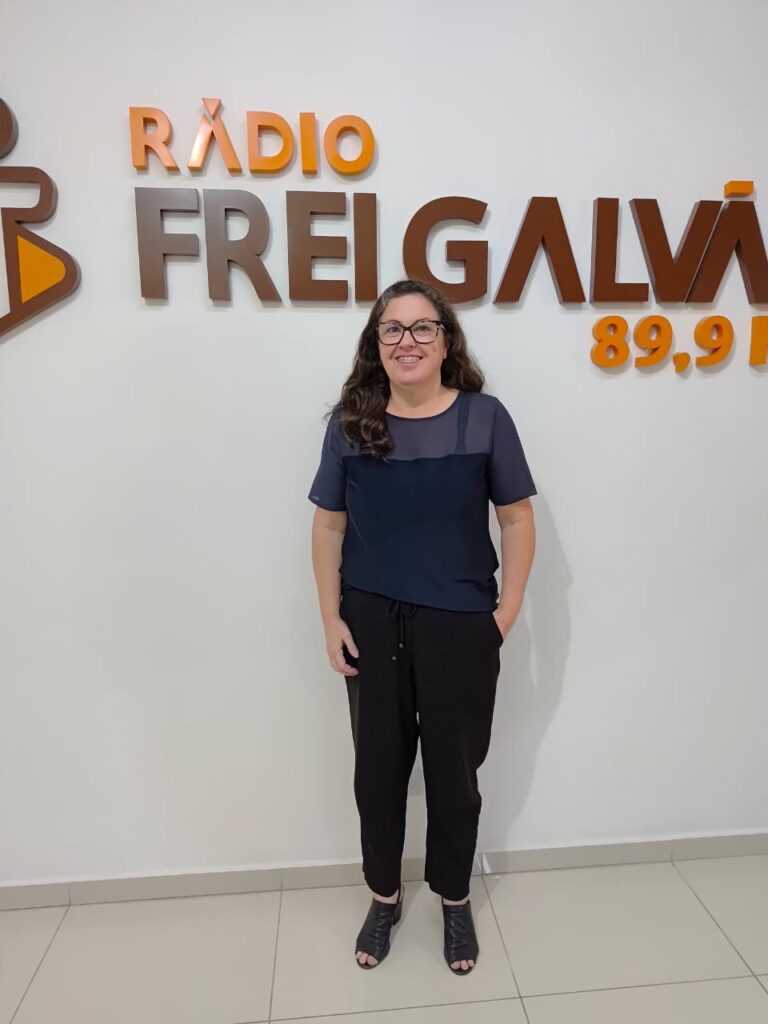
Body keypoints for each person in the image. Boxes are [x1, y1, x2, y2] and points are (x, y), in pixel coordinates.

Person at [308, 278, 536, 974]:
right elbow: (328, 526)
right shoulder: (350, 424)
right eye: (393, 329)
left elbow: (517, 519)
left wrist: (502, 616)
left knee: (454, 774)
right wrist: (330, 618)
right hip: (371, 624)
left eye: (422, 328)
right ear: (376, 344)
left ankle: (454, 899)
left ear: (445, 340)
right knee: (377, 772)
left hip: (460, 626)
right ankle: (384, 895)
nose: (406, 340)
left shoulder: (484, 418)